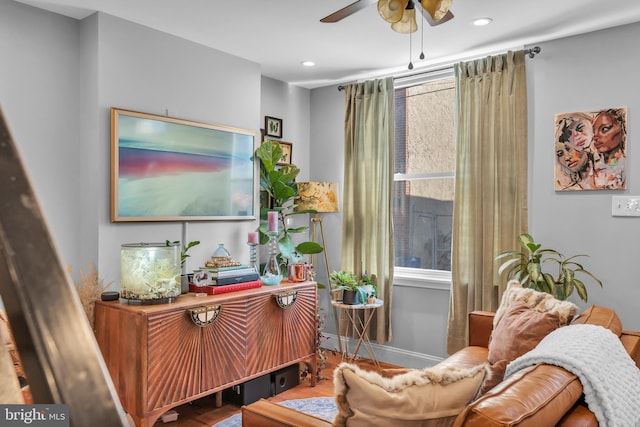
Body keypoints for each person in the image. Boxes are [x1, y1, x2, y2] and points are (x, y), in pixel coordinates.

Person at [590, 108, 626, 189]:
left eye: (604, 129)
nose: (595, 137)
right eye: (593, 131)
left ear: (621, 128)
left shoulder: (627, 167)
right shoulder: (594, 169)